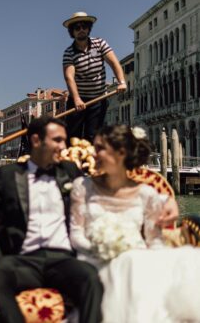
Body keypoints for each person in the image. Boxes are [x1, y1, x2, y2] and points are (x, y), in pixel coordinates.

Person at [0, 116, 104, 323]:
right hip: (24, 260)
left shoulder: (69, 171)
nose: (63, 147)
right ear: (37, 141)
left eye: (64, 141)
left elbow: (97, 197)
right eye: (57, 140)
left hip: (63, 259)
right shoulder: (8, 175)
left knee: (91, 277)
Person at [70, 124, 200, 322]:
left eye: (100, 149)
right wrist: (103, 249)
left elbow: (154, 240)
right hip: (94, 259)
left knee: (188, 261)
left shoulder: (146, 194)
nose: (93, 155)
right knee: (129, 263)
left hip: (138, 258)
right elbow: (76, 235)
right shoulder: (82, 187)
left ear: (121, 153)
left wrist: (153, 261)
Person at [62, 11, 126, 142]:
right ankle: (72, 162)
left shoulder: (100, 43)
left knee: (93, 137)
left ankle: (90, 162)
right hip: (77, 100)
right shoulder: (68, 52)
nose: (81, 30)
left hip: (98, 99)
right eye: (77, 27)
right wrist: (77, 99)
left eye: (84, 26)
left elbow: (114, 63)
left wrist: (122, 81)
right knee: (73, 137)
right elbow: (69, 77)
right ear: (72, 31)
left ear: (88, 28)